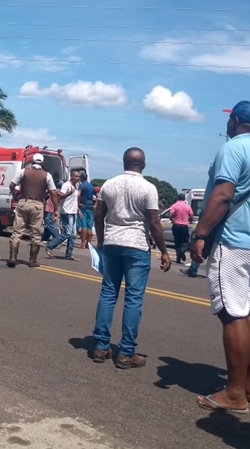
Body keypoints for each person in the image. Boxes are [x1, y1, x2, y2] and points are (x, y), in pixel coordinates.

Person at [190, 100, 250, 413]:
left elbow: (223, 194)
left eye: (230, 120)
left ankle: (234, 392)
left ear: (236, 121)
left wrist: (200, 234)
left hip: (231, 241)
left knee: (231, 315)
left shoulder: (232, 149)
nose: (227, 125)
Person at [92, 148, 171, 369]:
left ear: (124, 163)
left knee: (108, 292)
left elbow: (99, 215)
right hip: (136, 245)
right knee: (133, 298)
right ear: (143, 165)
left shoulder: (109, 184)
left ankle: (100, 346)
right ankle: (126, 352)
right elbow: (154, 224)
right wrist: (164, 251)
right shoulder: (148, 188)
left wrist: (101, 240)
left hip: (112, 243)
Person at [7, 153, 59, 268]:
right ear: (42, 163)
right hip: (37, 204)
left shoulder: (23, 171)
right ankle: (32, 260)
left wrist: (16, 196)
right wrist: (56, 209)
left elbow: (11, 185)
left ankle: (12, 257)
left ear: (32, 162)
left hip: (23, 202)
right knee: (36, 234)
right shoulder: (47, 175)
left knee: (17, 232)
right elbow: (53, 192)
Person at [46, 170, 81, 260]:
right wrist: (69, 193)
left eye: (79, 176)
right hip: (66, 212)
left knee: (73, 234)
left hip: (73, 212)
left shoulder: (75, 186)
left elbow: (75, 199)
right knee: (67, 233)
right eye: (76, 176)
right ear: (72, 177)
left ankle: (69, 254)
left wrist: (78, 210)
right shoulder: (66, 185)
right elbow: (59, 196)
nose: (78, 178)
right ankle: (50, 246)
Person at [169, 194, 194, 265]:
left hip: (176, 225)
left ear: (178, 198)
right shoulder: (187, 206)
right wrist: (190, 220)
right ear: (184, 198)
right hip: (184, 226)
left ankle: (178, 258)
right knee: (186, 241)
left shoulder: (174, 205)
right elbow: (191, 216)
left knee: (177, 242)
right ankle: (182, 250)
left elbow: (170, 215)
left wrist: (172, 219)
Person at [77, 172, 96, 248]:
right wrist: (95, 204)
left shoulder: (81, 185)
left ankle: (82, 243)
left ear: (81, 178)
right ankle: (88, 243)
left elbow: (78, 194)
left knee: (83, 225)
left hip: (83, 205)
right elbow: (97, 195)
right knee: (89, 225)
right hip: (90, 206)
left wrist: (78, 204)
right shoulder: (91, 186)